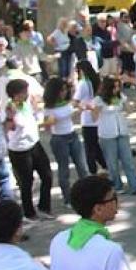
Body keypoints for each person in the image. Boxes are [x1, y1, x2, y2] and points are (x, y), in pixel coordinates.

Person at [4, 79, 56, 221]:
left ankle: (44, 207)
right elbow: (9, 127)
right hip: (20, 150)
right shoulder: (10, 108)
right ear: (16, 94)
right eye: (24, 92)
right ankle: (29, 212)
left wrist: (37, 109)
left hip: (34, 143)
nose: (27, 94)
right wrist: (10, 119)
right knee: (26, 182)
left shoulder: (25, 104)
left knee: (47, 175)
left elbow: (34, 117)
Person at [91, 77, 136, 196]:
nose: (116, 89)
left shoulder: (120, 96)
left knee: (128, 161)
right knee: (112, 163)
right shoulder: (99, 100)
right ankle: (117, 185)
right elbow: (94, 117)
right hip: (107, 134)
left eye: (118, 86)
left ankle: (135, 186)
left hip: (122, 131)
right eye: (114, 87)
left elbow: (128, 109)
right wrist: (95, 110)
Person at [42, 77, 89, 205]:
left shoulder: (67, 102)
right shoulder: (49, 108)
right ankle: (68, 199)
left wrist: (80, 110)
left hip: (72, 135)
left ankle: (88, 193)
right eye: (61, 90)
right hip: (59, 139)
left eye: (65, 90)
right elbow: (47, 127)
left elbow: (74, 111)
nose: (64, 92)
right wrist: (49, 122)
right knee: (64, 170)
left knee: (82, 167)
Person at [75, 61, 108, 175]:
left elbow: (76, 101)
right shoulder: (96, 81)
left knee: (89, 148)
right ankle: (105, 164)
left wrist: (79, 106)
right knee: (95, 145)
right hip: (98, 118)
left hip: (88, 120)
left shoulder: (83, 83)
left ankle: (92, 170)